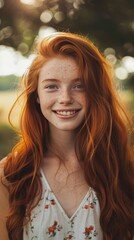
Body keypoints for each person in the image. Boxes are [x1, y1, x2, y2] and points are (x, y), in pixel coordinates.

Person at [0, 32, 134, 240]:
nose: (65, 98)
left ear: (96, 93)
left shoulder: (123, 172)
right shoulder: (8, 176)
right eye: (52, 86)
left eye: (79, 86)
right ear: (36, 94)